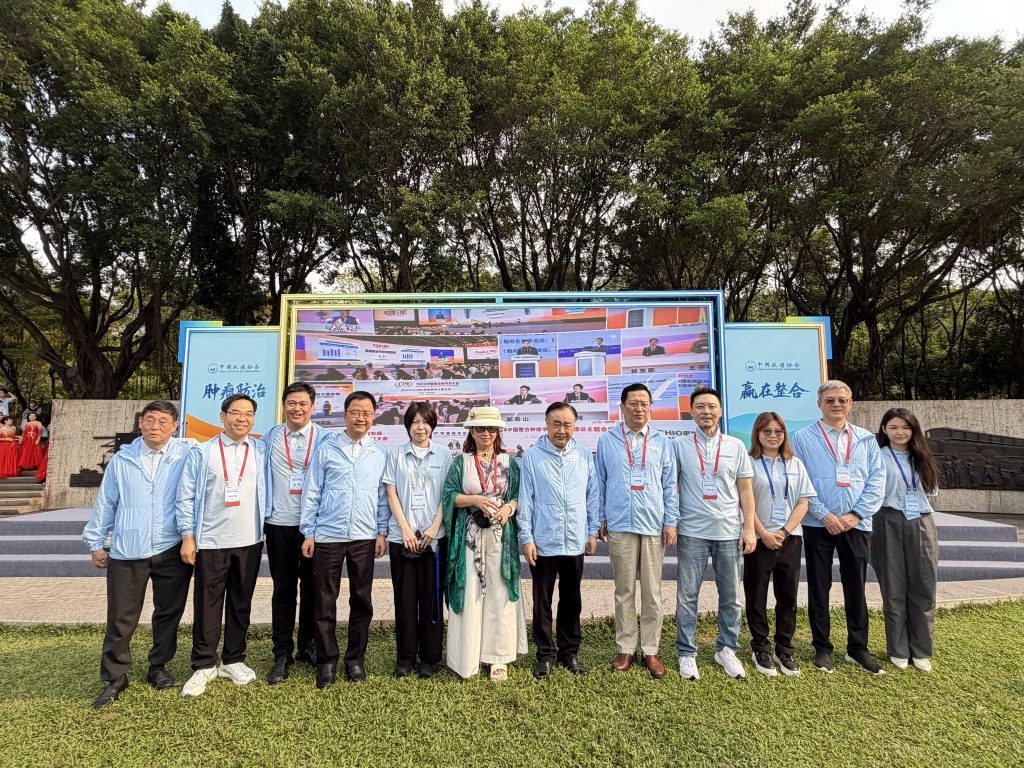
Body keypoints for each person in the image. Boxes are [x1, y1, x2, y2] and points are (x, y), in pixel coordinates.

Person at [81, 401, 195, 708]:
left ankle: (158, 665)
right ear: (140, 423)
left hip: (171, 547)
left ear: (175, 426)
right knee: (121, 615)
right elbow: (106, 502)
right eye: (150, 420)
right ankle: (116, 676)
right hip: (127, 549)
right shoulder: (123, 459)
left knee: (168, 612)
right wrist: (95, 543)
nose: (156, 426)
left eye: (163, 421)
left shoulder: (186, 454)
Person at [790, 380, 886, 675]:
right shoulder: (802, 437)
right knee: (819, 586)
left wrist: (856, 515)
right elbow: (800, 480)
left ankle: (858, 648)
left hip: (857, 524)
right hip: (818, 524)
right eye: (830, 400)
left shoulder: (866, 439)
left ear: (850, 403)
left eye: (842, 400)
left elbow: (877, 479)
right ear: (819, 404)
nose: (836, 404)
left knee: (856, 585)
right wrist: (825, 515)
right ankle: (822, 647)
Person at [176, 393, 268, 697]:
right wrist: (188, 536)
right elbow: (185, 495)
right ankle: (204, 664)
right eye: (236, 413)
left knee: (241, 602)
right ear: (222, 416)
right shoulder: (203, 452)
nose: (242, 419)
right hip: (211, 541)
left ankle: (233, 659)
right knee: (208, 604)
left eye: (249, 414)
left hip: (250, 540)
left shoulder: (260, 450)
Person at [301, 391, 389, 688]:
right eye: (355, 412)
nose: (360, 418)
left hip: (364, 536)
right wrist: (309, 532)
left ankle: (355, 660)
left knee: (361, 600)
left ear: (373, 416)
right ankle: (326, 661)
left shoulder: (379, 454)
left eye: (366, 413)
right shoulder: (326, 449)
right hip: (328, 535)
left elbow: (382, 497)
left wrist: (381, 532)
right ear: (345, 414)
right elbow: (312, 491)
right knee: (324, 601)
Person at [673, 387, 756, 680]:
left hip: (728, 531)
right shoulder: (679, 445)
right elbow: (671, 487)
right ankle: (687, 652)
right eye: (700, 407)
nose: (706, 411)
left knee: (731, 596)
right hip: (692, 531)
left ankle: (727, 649)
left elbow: (745, 490)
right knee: (687, 596)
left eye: (711, 406)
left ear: (720, 411)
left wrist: (749, 528)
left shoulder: (735, 446)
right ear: (691, 411)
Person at [596, 383, 678, 679]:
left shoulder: (662, 441)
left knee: (653, 592)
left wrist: (671, 521)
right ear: (622, 407)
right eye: (633, 403)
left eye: (644, 403)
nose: (639, 408)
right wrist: (601, 517)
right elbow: (600, 481)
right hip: (620, 523)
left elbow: (670, 484)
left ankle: (651, 649)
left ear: (650, 408)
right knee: (624, 590)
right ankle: (626, 647)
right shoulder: (607, 440)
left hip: (654, 524)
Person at [441, 406, 526, 680]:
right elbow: (449, 496)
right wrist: (475, 500)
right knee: (471, 592)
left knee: (499, 592)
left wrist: (508, 509)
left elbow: (517, 496)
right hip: (469, 537)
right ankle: (468, 656)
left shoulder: (510, 463)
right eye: (480, 429)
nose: (485, 434)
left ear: (498, 432)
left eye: (491, 429)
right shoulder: (461, 462)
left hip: (501, 537)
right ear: (471, 432)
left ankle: (498, 657)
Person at [519, 403, 599, 679]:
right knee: (542, 601)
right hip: (543, 540)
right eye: (556, 423)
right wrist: (527, 538)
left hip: (574, 539)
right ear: (546, 424)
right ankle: (545, 654)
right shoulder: (532, 456)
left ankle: (569, 652)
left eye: (567, 424)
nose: (561, 430)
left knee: (571, 599)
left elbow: (592, 495)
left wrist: (592, 531)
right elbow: (526, 500)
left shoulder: (583, 455)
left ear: (575, 426)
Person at [260, 382, 331, 684]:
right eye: (291, 403)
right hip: (279, 525)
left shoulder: (326, 439)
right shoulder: (270, 437)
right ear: (283, 405)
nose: (297, 408)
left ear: (312, 407)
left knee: (314, 590)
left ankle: (309, 645)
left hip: (315, 528)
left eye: (303, 403)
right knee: (283, 590)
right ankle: (282, 652)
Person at [382, 402, 454, 679]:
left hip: (434, 540)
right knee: (405, 600)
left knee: (432, 599)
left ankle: (430, 658)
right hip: (403, 538)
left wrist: (434, 528)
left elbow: (448, 494)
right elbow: (391, 493)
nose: (420, 427)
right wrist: (405, 529)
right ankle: (405, 658)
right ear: (407, 426)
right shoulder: (396, 454)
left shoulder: (444, 454)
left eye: (425, 422)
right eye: (415, 422)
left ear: (433, 425)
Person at [744, 412, 815, 677]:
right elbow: (745, 502)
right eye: (767, 431)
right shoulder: (749, 463)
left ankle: (784, 648)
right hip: (758, 539)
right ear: (757, 434)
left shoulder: (795, 464)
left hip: (790, 538)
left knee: (788, 596)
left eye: (778, 431)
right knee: (757, 595)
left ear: (785, 434)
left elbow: (803, 502)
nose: (773, 436)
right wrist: (763, 533)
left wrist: (784, 532)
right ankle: (760, 647)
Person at [873, 408, 941, 673]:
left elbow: (931, 491)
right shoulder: (877, 456)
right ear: (884, 429)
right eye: (893, 427)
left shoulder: (922, 456)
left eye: (905, 427)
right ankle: (898, 649)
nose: (899, 432)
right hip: (886, 519)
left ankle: (921, 650)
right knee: (893, 585)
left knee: (924, 585)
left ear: (914, 430)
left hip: (921, 521)